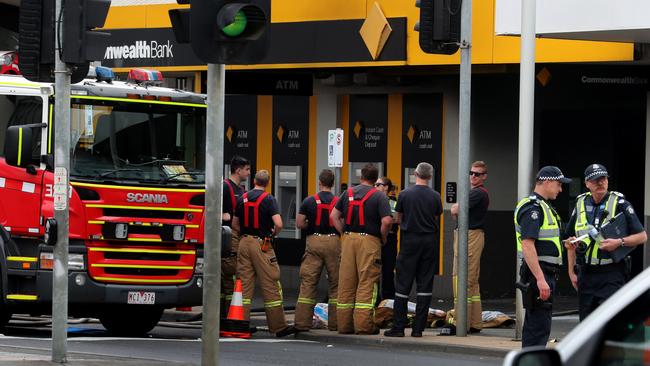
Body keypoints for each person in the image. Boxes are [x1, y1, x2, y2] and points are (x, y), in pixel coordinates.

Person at [564, 164, 647, 321]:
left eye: (603, 179)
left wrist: (619, 242)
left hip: (612, 274)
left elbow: (642, 236)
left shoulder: (620, 203)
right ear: (587, 184)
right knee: (586, 325)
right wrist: (571, 271)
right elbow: (570, 240)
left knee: (610, 323)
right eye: (595, 180)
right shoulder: (580, 203)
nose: (600, 183)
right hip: (586, 274)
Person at [232, 170, 296, 337]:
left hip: (244, 242)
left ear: (254, 180)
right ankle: (278, 326)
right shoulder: (268, 199)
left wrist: (245, 234)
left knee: (244, 285)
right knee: (270, 283)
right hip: (261, 244)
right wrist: (273, 234)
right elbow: (279, 223)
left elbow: (235, 224)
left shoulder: (243, 198)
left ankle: (241, 323)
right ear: (267, 183)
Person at [330, 164, 393, 334]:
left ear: (361, 177)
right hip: (369, 241)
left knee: (346, 282)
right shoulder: (379, 196)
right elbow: (387, 221)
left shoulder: (347, 193)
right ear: (375, 179)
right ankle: (364, 326)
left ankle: (344, 325)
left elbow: (334, 216)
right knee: (367, 281)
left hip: (348, 239)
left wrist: (344, 231)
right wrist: (383, 236)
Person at [514, 166, 571, 347]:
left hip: (543, 273)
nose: (560, 189)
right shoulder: (533, 208)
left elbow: (543, 243)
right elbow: (528, 244)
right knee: (537, 328)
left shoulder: (544, 206)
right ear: (547, 182)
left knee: (540, 326)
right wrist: (540, 279)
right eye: (558, 185)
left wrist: (565, 245)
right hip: (539, 274)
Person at [384, 163, 443, 337]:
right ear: (430, 177)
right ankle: (418, 329)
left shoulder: (404, 194)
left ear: (415, 173)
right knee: (425, 286)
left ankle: (399, 327)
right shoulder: (435, 196)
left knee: (402, 285)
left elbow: (398, 217)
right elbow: (436, 215)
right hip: (429, 242)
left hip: (409, 241)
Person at [442, 161, 490, 335]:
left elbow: (455, 209)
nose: (473, 176)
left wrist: (456, 209)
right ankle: (474, 322)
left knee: (462, 279)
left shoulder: (478, 193)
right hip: (470, 236)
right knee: (472, 283)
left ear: (484, 176)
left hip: (470, 237)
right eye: (471, 173)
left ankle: (460, 322)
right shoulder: (475, 193)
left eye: (477, 174)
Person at [294, 169, 341, 332]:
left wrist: (310, 226)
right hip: (334, 242)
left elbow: (299, 223)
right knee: (336, 283)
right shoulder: (338, 200)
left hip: (314, 241)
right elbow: (341, 221)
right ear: (333, 183)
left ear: (319, 182)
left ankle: (302, 323)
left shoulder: (308, 201)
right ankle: (335, 324)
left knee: (308, 282)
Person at [221, 155, 250, 315]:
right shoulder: (225, 187)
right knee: (229, 275)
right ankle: (226, 315)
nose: (248, 173)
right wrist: (224, 216)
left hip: (240, 237)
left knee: (236, 276)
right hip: (228, 237)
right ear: (238, 170)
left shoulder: (241, 190)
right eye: (246, 169)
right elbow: (211, 212)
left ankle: (231, 313)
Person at [375, 176, 398, 301]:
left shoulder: (394, 202)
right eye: (375, 184)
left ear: (386, 187)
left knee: (388, 271)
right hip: (375, 239)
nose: (376, 186)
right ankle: (376, 299)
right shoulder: (373, 200)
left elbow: (394, 220)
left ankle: (388, 301)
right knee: (374, 271)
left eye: (378, 184)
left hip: (390, 239)